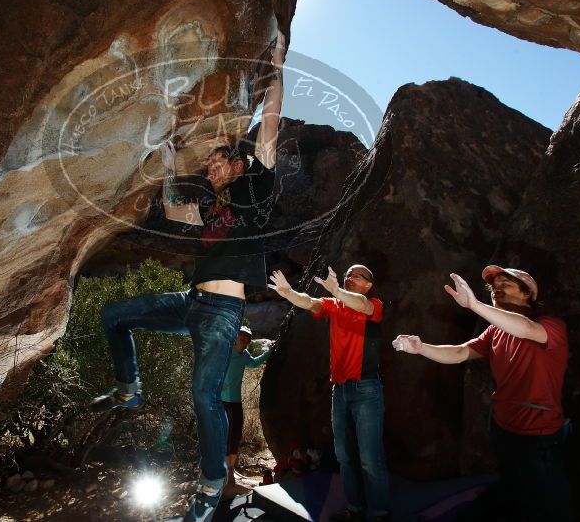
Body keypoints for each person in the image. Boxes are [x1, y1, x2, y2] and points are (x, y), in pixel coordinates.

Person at [89, 30, 286, 522]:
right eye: (209, 162)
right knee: (114, 314)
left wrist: (278, 60)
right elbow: (177, 214)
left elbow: (272, 122)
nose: (211, 166)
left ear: (239, 164)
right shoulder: (211, 206)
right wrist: (172, 165)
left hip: (223, 311)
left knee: (204, 395)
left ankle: (212, 481)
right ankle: (129, 387)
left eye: (217, 160)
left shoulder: (256, 188)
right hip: (190, 302)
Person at [392, 266, 572, 521]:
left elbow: (526, 329)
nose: (496, 289)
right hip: (502, 427)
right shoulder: (494, 331)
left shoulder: (551, 326)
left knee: (550, 505)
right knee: (515, 488)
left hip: (538, 435)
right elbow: (460, 352)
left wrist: (474, 305)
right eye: (493, 286)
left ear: (526, 293)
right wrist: (421, 347)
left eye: (505, 283)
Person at [269, 265, 391, 522]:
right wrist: (289, 293)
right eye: (348, 274)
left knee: (370, 458)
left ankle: (380, 513)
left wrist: (336, 289)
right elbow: (311, 303)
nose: (350, 277)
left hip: (366, 389)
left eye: (357, 275)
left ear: (368, 285)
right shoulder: (334, 304)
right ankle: (355, 510)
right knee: (345, 457)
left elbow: (364, 307)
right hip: (340, 390)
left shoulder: (373, 304)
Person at [221, 325, 271, 494]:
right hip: (221, 402)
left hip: (235, 403)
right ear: (235, 338)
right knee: (224, 438)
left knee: (235, 437)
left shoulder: (244, 356)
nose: (243, 340)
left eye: (246, 338)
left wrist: (270, 352)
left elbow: (255, 363)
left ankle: (231, 475)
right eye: (241, 336)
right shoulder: (225, 353)